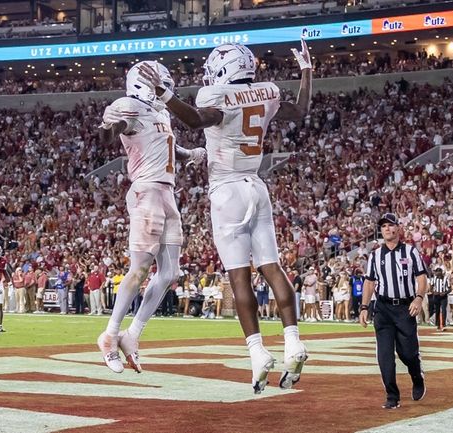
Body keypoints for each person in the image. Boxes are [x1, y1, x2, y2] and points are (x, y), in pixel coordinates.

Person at [136, 40, 312, 392]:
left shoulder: (218, 98)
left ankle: (257, 352)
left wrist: (165, 95)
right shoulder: (266, 92)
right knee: (272, 266)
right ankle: (293, 341)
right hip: (256, 185)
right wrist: (307, 72)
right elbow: (300, 109)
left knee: (239, 277)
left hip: (227, 190)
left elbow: (197, 120)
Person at [96, 60, 205, 374]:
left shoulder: (160, 113)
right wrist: (108, 129)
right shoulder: (129, 107)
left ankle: (132, 335)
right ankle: (110, 334)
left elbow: (165, 145)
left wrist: (190, 153)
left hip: (167, 193)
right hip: (146, 193)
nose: (164, 90)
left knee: (170, 273)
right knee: (141, 268)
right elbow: (111, 135)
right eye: (160, 84)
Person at [359, 213, 428, 409]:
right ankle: (392, 396)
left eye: (390, 225)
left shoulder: (410, 252)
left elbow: (422, 278)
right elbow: (369, 282)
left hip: (405, 308)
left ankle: (417, 375)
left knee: (407, 353)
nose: (387, 229)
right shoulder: (375, 255)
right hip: (383, 309)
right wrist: (364, 307)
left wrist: (418, 297)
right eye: (384, 227)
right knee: (385, 356)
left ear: (398, 228)